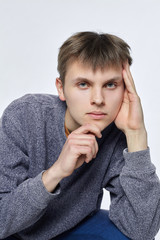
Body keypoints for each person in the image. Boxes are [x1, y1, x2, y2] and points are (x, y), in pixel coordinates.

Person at [0, 32, 159, 240]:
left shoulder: (117, 133)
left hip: (75, 228)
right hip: (16, 232)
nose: (98, 99)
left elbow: (142, 231)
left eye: (110, 84)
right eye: (83, 84)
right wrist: (56, 172)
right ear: (61, 88)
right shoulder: (24, 115)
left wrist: (136, 134)